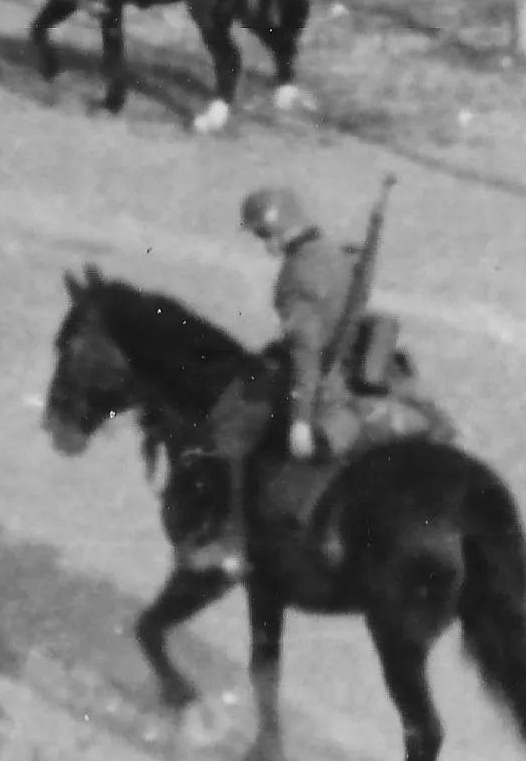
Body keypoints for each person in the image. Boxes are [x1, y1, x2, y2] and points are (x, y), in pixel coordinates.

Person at [183, 186, 446, 574]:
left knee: (229, 432)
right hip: (348, 359)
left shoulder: (294, 280)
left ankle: (232, 539)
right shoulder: (334, 253)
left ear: (275, 231)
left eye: (260, 234)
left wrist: (302, 419)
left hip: (324, 381)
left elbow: (306, 352)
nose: (262, 243)